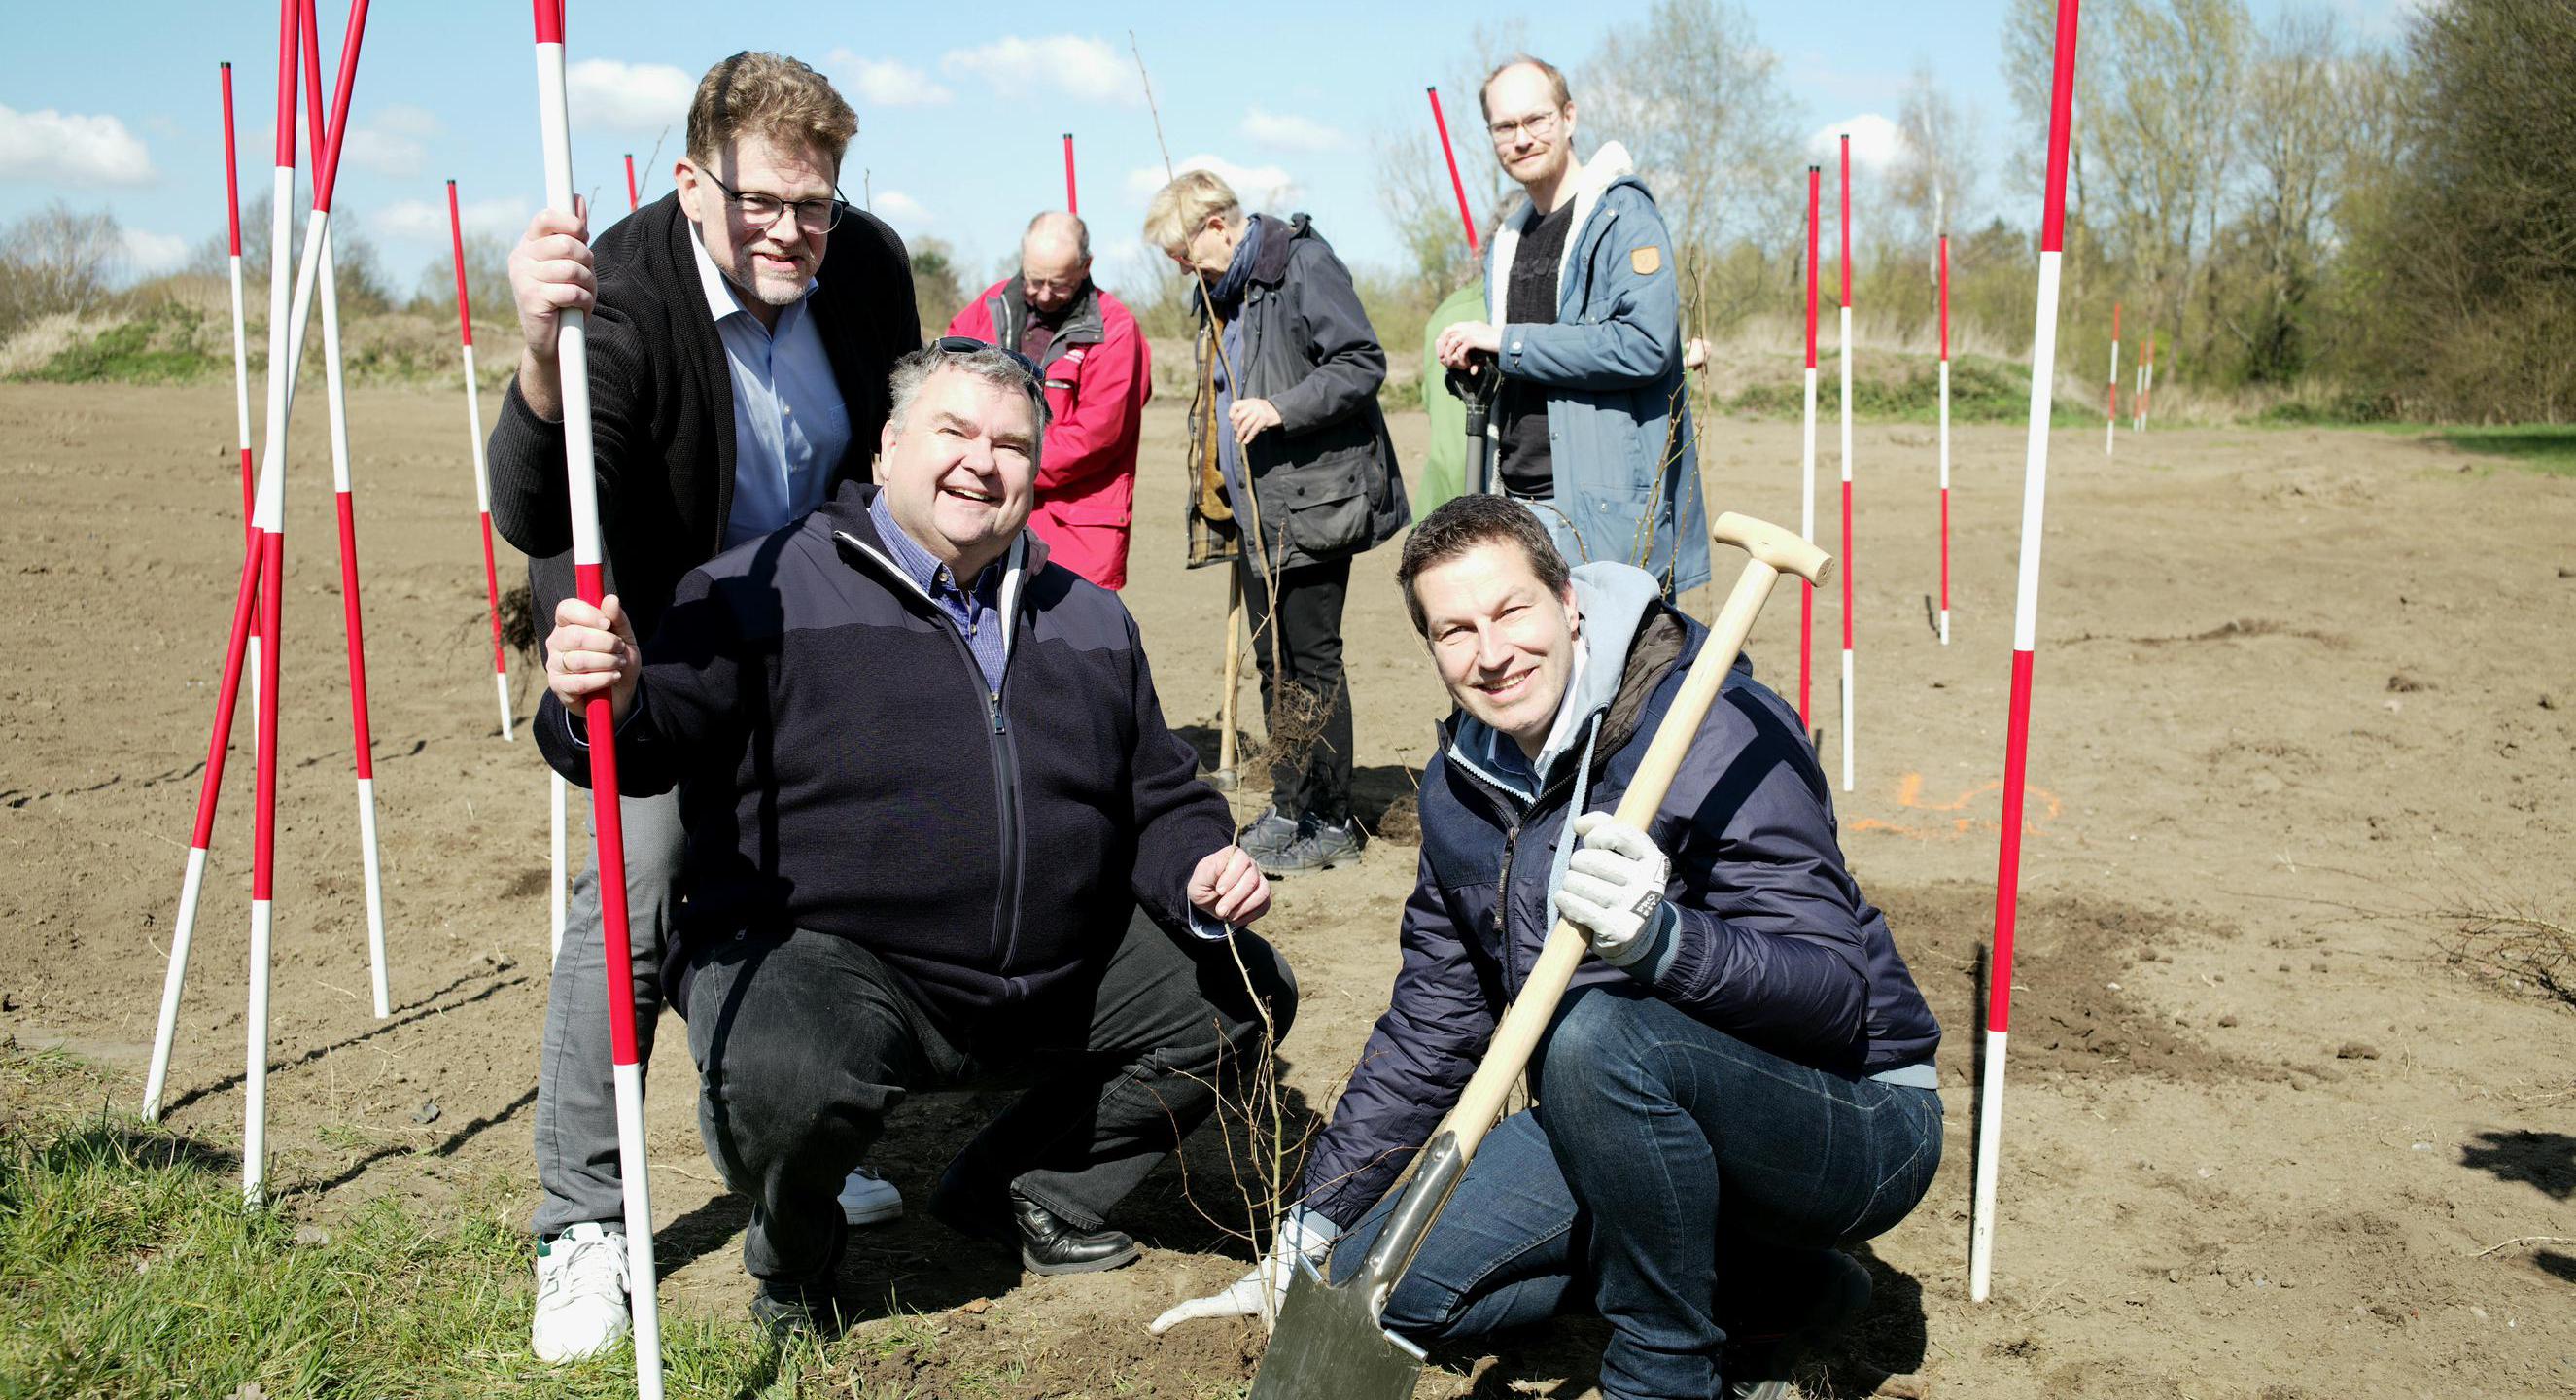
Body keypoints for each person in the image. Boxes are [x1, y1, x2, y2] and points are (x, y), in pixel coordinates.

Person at [538, 341, 1297, 1335]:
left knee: (1241, 988)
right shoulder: (758, 590)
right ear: (889, 448)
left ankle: (1026, 1188)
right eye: (954, 433)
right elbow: (639, 739)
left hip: (1049, 973)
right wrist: (606, 696)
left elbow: (1160, 792)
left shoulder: (1092, 619)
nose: (982, 463)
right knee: (786, 1075)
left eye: (1011, 444)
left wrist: (1199, 862)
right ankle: (796, 1262)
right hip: (838, 964)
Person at [1152, 496, 1943, 1400]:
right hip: (1620, 1114)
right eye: (1455, 630)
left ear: (1568, 601)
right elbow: (1433, 1028)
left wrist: (1667, 943)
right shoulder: (1462, 786)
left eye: (1510, 611)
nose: (1490, 653)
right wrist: (1316, 1225)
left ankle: (1665, 1368)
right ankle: (1775, 1288)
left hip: (1845, 1116)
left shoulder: (1717, 728)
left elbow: (1835, 995)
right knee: (1393, 1290)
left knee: (1602, 1032)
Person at [483, 51, 920, 1362]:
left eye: (817, 203)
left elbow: (892, 440)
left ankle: (795, 1150)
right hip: (656, 634)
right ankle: (583, 1221)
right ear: (690, 181)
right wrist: (534, 354)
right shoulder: (611, 293)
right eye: (764, 204)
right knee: (636, 890)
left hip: (812, 630)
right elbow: (538, 509)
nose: (793, 232)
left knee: (820, 889)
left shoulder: (866, 261)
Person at [1144, 169, 1410, 877]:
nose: (1179, 268)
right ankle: (1293, 804)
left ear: (1218, 228)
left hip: (1316, 502)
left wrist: (1281, 408)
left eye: (1180, 251)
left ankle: (1332, 818)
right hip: (1259, 512)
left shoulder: (1302, 263)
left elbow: (1362, 362)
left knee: (1311, 662)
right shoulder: (1223, 292)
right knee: (1274, 663)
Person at [1433, 55, 1709, 596]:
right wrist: (1480, 361)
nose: (1522, 138)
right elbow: (1529, 359)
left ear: (1569, 117)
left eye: (1536, 120)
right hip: (1515, 500)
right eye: (1505, 127)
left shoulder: (1622, 215)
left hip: (1596, 511)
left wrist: (1506, 341)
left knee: (1623, 674)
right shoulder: (1509, 241)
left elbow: (1644, 345)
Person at [944, 211, 1151, 590]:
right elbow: (946, 387)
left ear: (1086, 267)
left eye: (1057, 285)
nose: (1041, 294)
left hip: (1076, 527)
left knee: (1076, 639)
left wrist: (1008, 461)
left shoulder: (1117, 331)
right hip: (989, 513)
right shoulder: (987, 309)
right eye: (1033, 279)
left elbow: (1096, 437)